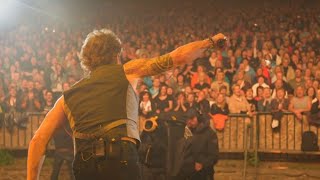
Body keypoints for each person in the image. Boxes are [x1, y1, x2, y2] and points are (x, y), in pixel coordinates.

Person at [27, 29, 226, 180]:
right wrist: (209, 43)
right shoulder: (126, 71)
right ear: (116, 54)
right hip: (120, 159)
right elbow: (175, 58)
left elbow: (37, 142)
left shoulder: (67, 97)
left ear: (86, 60)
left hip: (84, 165)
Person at [173, 108, 219, 180]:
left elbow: (214, 156)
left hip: (203, 173)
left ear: (198, 119)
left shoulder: (209, 133)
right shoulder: (185, 132)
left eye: (192, 119)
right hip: (186, 171)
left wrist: (202, 163)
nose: (189, 121)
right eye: (188, 119)